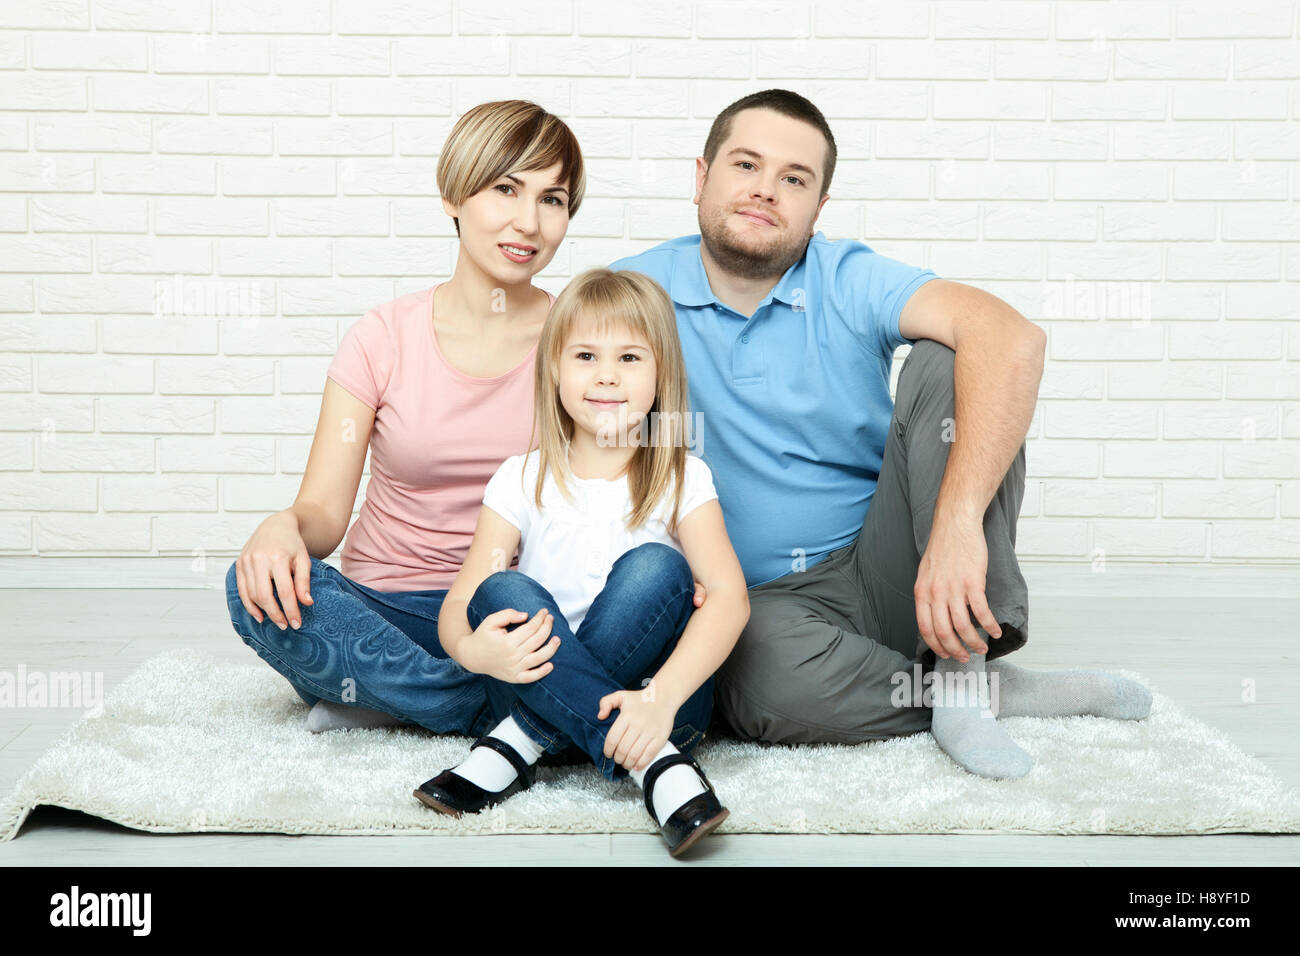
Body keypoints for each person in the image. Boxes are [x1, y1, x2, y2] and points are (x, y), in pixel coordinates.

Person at [610, 89, 1152, 781]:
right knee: (754, 685)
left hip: (889, 567)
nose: (765, 191)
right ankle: (974, 693)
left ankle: (961, 664)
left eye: (794, 179)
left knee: (955, 359)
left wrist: (955, 527)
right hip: (756, 605)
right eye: (746, 165)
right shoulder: (634, 291)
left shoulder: (845, 277)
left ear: (818, 207)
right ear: (701, 176)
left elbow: (1014, 339)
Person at [224, 100, 606, 740]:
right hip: (388, 609)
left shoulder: (580, 335)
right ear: (454, 194)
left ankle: (400, 701)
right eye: (506, 189)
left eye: (553, 199)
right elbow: (323, 514)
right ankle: (486, 706)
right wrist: (281, 526)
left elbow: (617, 479)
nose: (529, 222)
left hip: (514, 608)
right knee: (251, 591)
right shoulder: (383, 337)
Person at [415, 268, 750, 857]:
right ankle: (658, 772)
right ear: (553, 369)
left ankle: (518, 744)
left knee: (658, 568)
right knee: (501, 588)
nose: (606, 376)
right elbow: (460, 602)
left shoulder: (681, 477)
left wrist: (661, 699)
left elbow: (729, 597)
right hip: (533, 686)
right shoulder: (520, 478)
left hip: (655, 707)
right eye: (587, 355)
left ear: (660, 374)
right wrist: (473, 650)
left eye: (629, 358)